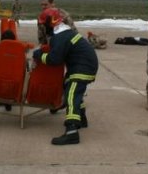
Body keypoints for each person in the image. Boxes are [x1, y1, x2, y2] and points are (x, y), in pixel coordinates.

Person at [32, 8, 98, 145]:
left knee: (71, 95)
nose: (42, 28)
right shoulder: (64, 32)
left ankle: (72, 132)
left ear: (50, 24)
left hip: (82, 67)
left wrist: (38, 55)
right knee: (70, 86)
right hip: (83, 65)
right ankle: (82, 119)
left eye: (43, 25)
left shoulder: (60, 37)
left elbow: (54, 59)